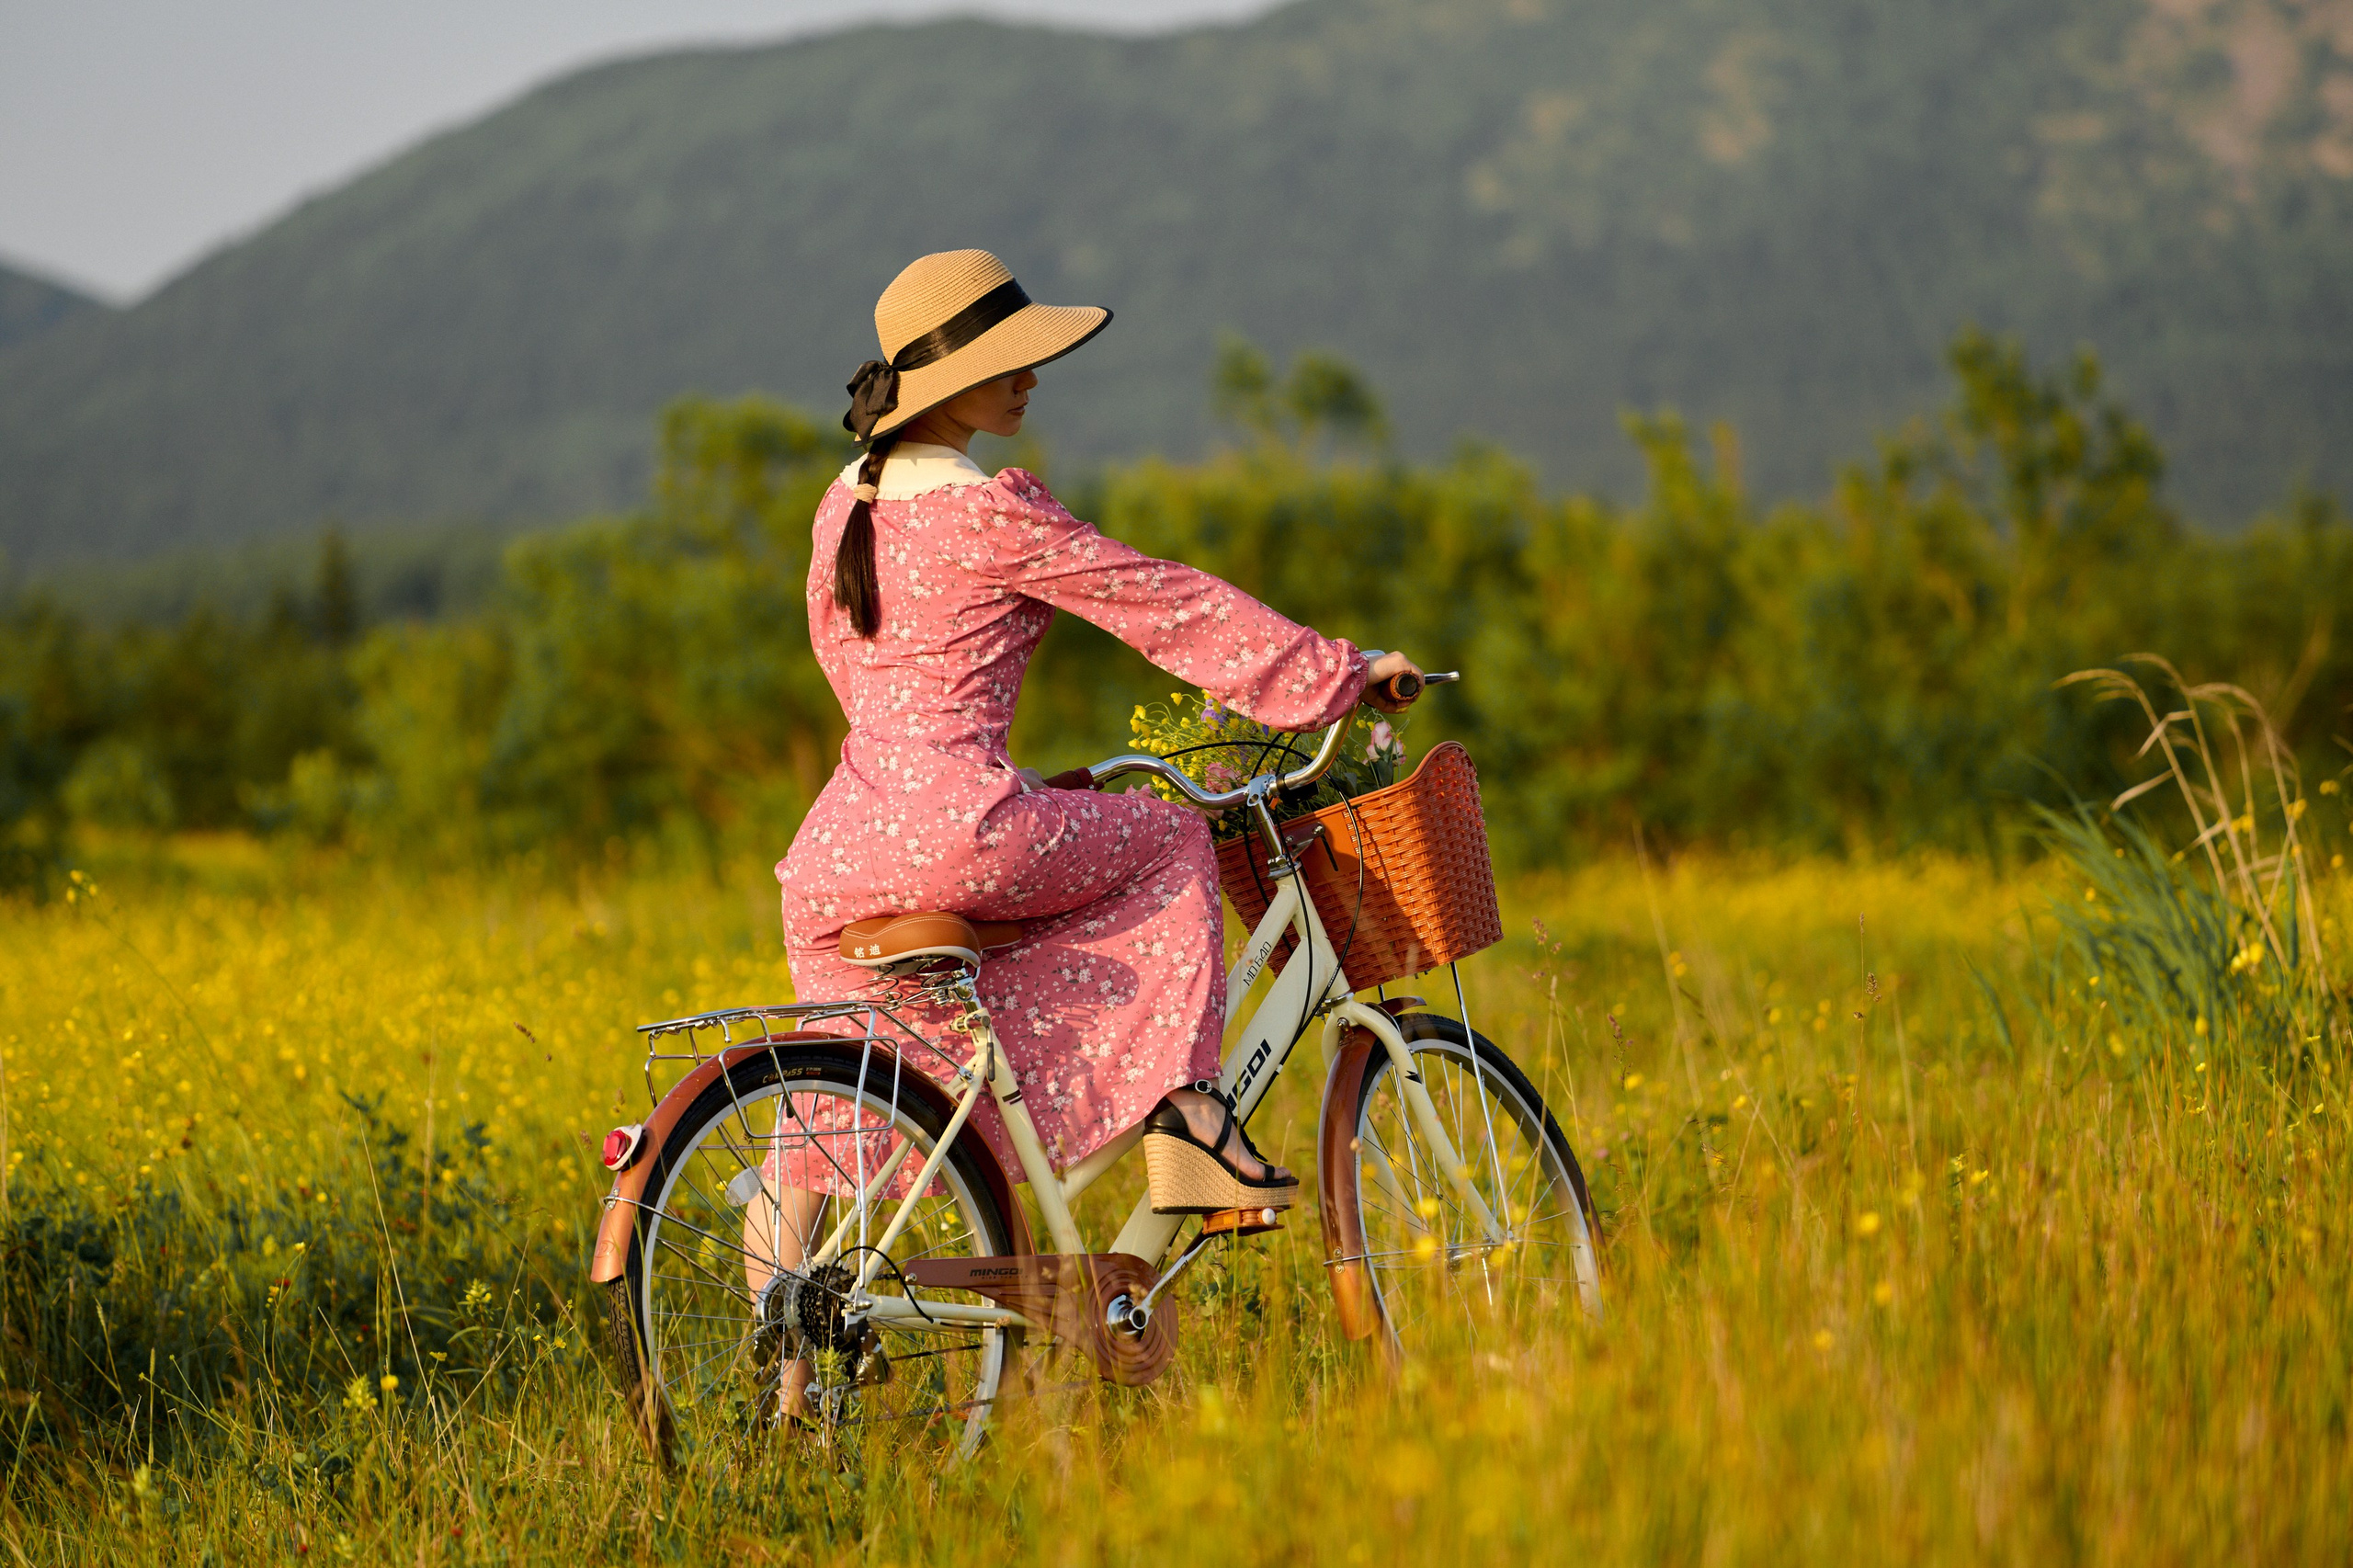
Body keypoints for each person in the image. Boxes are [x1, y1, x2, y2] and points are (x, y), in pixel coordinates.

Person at [760, 249, 1420, 1289]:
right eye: (1010, 358)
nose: (1033, 376)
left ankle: (787, 1332)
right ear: (951, 381)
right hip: (961, 830)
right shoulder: (986, 512)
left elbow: (886, 684)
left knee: (838, 1096)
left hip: (838, 846)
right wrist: (1334, 674)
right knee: (1172, 835)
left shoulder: (844, 505)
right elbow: (1160, 601)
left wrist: (1010, 779)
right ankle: (1194, 1121)